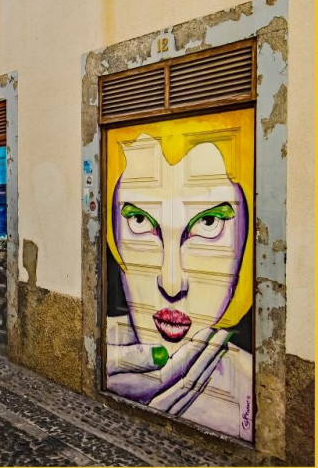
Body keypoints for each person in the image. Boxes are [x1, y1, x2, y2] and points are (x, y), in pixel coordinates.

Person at [105, 131, 253, 441]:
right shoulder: (106, 342)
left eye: (209, 223)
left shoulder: (250, 385)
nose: (172, 284)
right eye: (140, 221)